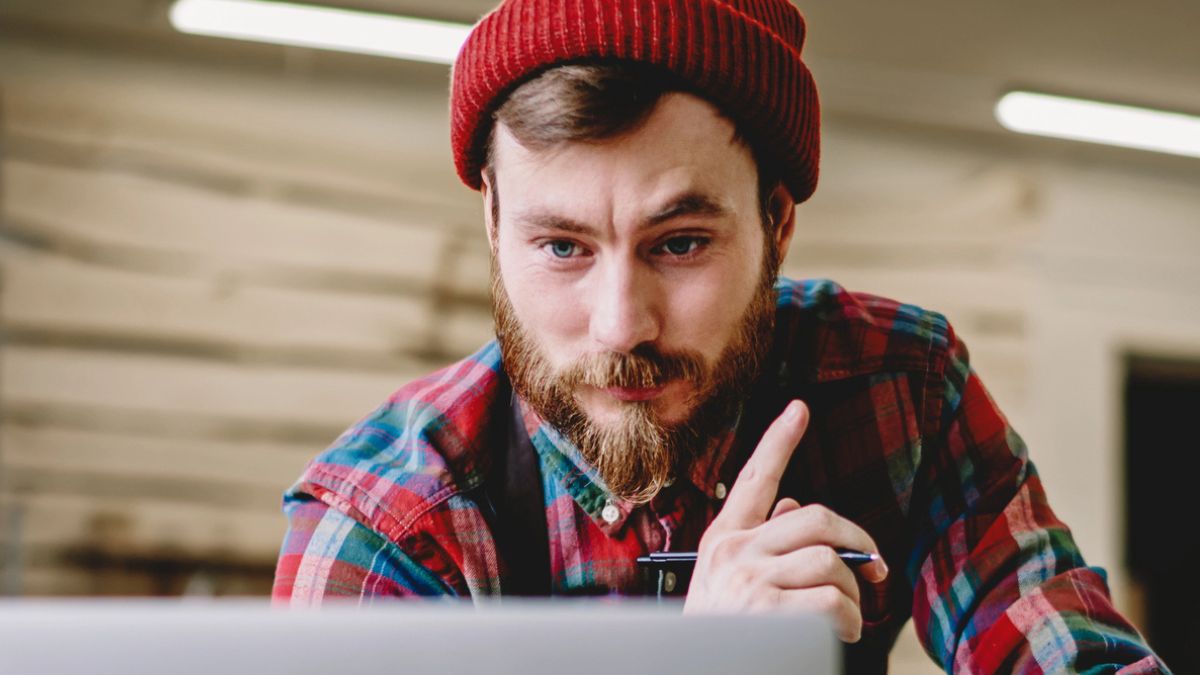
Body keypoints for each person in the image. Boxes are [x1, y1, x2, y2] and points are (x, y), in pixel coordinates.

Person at [272, 1, 1167, 671]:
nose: (622, 322)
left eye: (682, 243)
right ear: (494, 223)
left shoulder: (899, 391)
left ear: (777, 223)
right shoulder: (388, 522)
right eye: (560, 246)